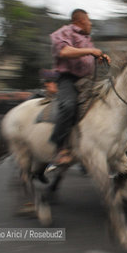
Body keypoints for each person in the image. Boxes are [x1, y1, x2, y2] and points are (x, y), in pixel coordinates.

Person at [47, 9, 110, 167]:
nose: (91, 24)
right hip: (68, 79)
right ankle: (59, 147)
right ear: (81, 20)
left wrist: (100, 58)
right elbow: (64, 51)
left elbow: (87, 57)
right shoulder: (64, 32)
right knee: (68, 106)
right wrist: (90, 51)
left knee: (106, 103)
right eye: (89, 21)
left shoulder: (86, 38)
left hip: (86, 80)